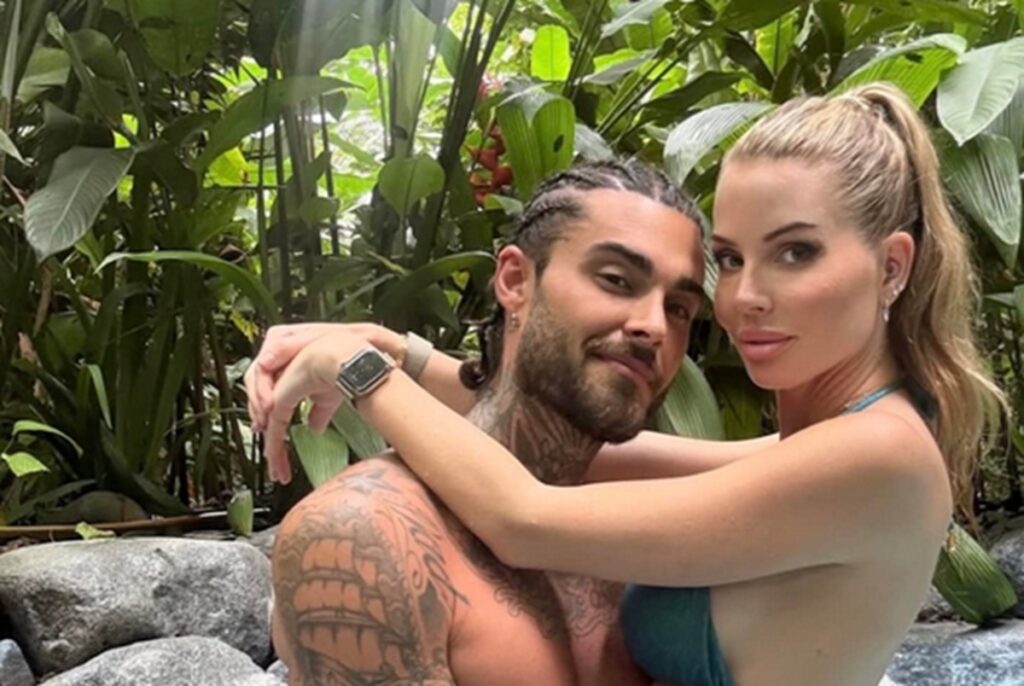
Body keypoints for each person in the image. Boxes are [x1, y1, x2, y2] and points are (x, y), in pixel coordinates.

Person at [250, 83, 1004, 686]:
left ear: (892, 267)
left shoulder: (878, 457)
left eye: (796, 253)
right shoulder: (837, 443)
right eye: (732, 260)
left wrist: (359, 371)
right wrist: (404, 353)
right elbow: (593, 446)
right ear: (514, 281)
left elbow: (524, 516)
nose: (745, 298)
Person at [260, 160, 719, 685]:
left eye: (679, 309)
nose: (654, 326)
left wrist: (374, 363)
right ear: (515, 280)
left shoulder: (657, 522)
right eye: (616, 280)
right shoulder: (365, 534)